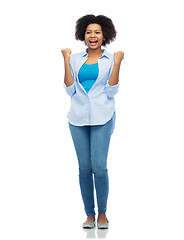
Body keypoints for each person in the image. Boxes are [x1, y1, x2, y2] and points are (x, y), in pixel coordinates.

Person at [61, 14, 124, 229]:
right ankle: (89, 214)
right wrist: (65, 60)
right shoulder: (75, 58)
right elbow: (70, 89)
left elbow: (112, 90)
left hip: (102, 117)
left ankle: (103, 214)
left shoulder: (109, 59)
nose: (92, 36)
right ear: (83, 35)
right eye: (89, 32)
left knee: (100, 167)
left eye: (97, 32)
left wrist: (117, 63)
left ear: (104, 34)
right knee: (84, 169)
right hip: (77, 118)